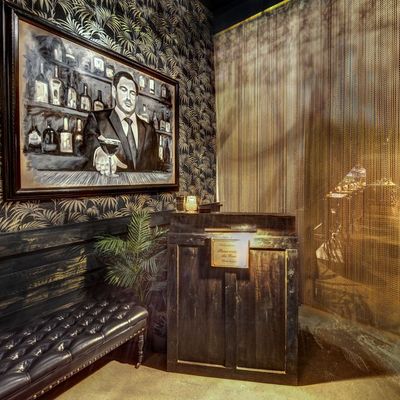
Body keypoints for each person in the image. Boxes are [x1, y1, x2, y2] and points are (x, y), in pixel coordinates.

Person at [83, 71, 159, 175]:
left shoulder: (149, 129)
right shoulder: (97, 119)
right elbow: (90, 142)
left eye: (132, 93)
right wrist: (100, 152)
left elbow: (155, 163)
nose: (128, 97)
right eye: (124, 90)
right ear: (114, 92)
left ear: (136, 98)